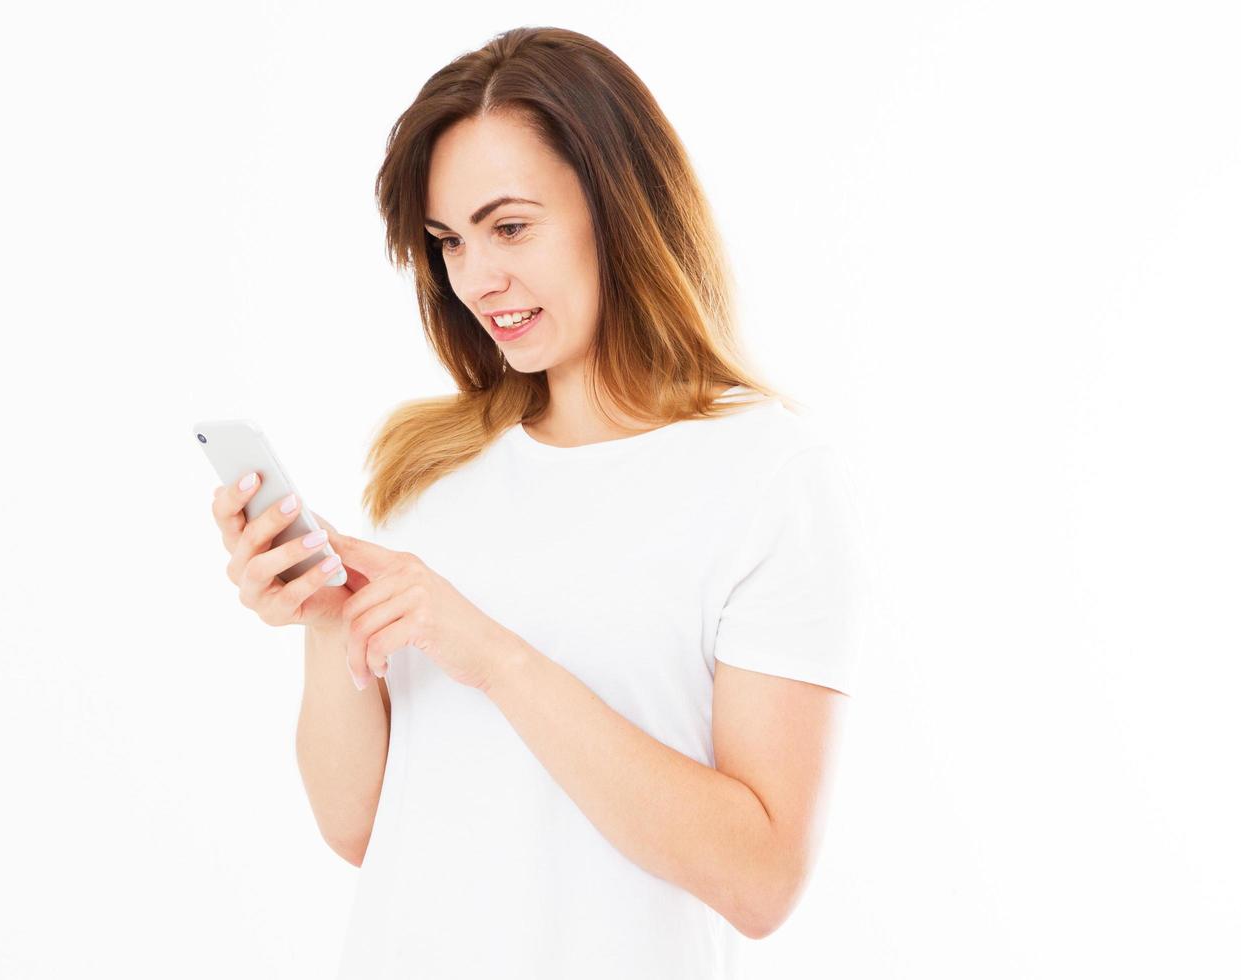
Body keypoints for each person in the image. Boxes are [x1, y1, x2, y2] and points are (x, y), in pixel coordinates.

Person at [208, 25, 866, 980]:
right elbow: (360, 830)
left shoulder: (768, 476)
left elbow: (761, 879)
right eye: (447, 242)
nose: (477, 279)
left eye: (509, 227)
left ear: (623, 208)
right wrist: (324, 620)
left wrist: (497, 659)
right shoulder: (429, 469)